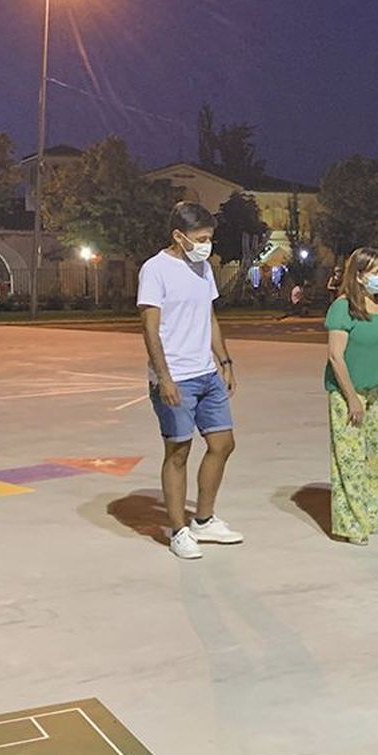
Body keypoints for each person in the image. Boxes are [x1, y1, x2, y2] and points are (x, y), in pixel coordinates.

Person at [138, 202, 244, 559]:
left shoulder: (202, 268)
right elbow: (150, 328)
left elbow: (209, 317)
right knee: (178, 451)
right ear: (178, 236)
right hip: (176, 378)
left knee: (223, 444)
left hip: (206, 374)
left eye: (209, 238)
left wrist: (224, 360)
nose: (206, 245)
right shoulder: (155, 270)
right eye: (200, 238)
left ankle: (203, 519)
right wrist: (163, 377)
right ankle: (178, 531)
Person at [324, 248, 378, 545]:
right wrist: (352, 398)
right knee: (350, 457)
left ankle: (373, 514)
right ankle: (352, 522)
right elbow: (335, 356)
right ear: (358, 276)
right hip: (351, 393)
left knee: (376, 456)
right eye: (374, 271)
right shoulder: (343, 308)